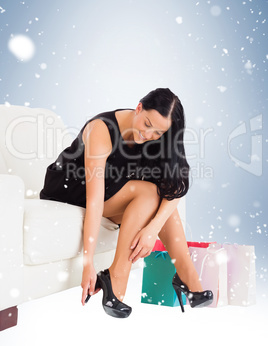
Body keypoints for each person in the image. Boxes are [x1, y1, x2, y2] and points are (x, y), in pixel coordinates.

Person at [40, 88, 213, 318]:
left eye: (158, 132)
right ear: (139, 107)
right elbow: (94, 202)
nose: (148, 134)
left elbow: (176, 188)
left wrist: (152, 229)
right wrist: (87, 262)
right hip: (71, 189)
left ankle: (186, 274)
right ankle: (118, 278)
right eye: (147, 123)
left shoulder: (158, 137)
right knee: (150, 193)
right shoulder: (101, 130)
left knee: (161, 195)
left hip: (112, 189)